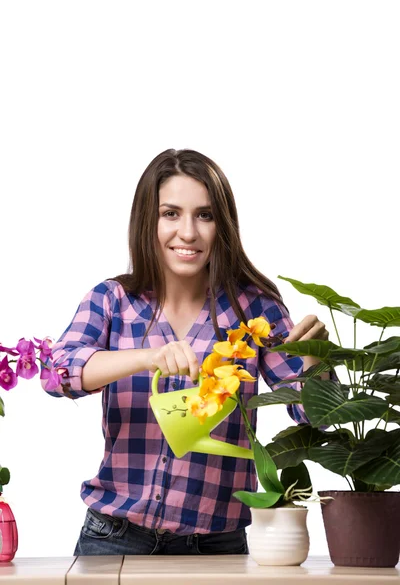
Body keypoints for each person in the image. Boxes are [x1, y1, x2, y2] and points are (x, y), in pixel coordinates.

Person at [42, 148, 329, 556]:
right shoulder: (112, 300)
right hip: (113, 539)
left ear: (222, 225)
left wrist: (316, 363)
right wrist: (146, 357)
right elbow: (57, 374)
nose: (188, 233)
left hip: (218, 546)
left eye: (205, 215)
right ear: (148, 220)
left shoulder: (254, 309)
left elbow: (314, 420)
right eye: (171, 213)